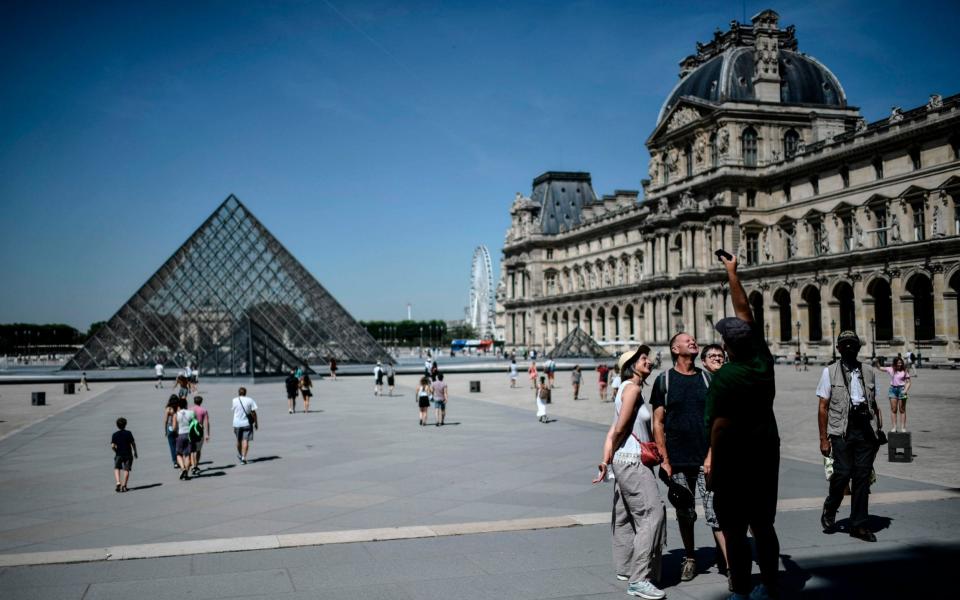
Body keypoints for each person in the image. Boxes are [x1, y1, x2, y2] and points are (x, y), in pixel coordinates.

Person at [706, 254, 782, 600]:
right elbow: (745, 313)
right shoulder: (763, 363)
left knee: (735, 531)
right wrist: (733, 273)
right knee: (764, 526)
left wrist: (711, 462)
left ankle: (740, 588)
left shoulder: (723, 377)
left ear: (725, 346)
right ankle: (769, 584)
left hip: (734, 461)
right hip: (766, 454)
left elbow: (719, 426)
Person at [592, 346, 667, 600]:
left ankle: (625, 568)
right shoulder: (633, 389)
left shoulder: (624, 389)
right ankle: (639, 579)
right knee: (651, 514)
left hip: (622, 461)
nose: (648, 361)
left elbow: (611, 431)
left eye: (647, 358)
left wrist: (606, 460)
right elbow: (621, 427)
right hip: (634, 461)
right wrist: (612, 458)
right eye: (642, 359)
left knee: (624, 516)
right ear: (631, 366)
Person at [651, 331, 726, 583]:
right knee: (685, 512)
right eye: (686, 340)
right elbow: (658, 422)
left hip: (706, 459)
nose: (693, 341)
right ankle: (690, 557)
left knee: (717, 511)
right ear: (674, 348)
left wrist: (711, 454)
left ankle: (728, 560)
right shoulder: (664, 381)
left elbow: (718, 420)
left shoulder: (708, 379)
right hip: (678, 460)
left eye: (694, 340)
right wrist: (664, 459)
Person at [817, 331, 883, 543]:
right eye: (844, 345)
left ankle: (859, 525)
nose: (848, 348)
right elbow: (823, 407)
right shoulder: (830, 372)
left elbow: (874, 404)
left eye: (852, 344)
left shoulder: (869, 371)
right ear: (838, 348)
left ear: (858, 348)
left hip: (865, 430)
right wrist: (823, 439)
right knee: (843, 473)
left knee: (862, 477)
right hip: (841, 430)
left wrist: (878, 431)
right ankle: (831, 505)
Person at [875, 356, 911, 432]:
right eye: (898, 363)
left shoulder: (904, 371)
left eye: (901, 363)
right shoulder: (891, 369)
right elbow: (880, 368)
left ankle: (903, 427)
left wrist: (905, 390)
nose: (900, 364)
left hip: (902, 390)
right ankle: (894, 427)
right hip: (893, 390)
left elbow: (908, 382)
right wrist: (877, 362)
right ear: (895, 363)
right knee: (893, 409)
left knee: (902, 409)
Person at [232, 387, 258, 465]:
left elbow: (234, 410)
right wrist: (256, 423)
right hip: (247, 423)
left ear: (238, 393)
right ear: (245, 393)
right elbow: (253, 412)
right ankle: (243, 457)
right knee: (245, 440)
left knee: (238, 440)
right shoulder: (250, 400)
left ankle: (240, 454)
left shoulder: (234, 400)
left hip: (236, 423)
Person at [111, 417, 137, 493]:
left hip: (119, 454)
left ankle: (118, 482)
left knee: (117, 468)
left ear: (117, 425)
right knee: (126, 470)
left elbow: (112, 446)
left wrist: (116, 451)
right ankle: (124, 486)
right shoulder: (129, 433)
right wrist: (135, 452)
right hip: (128, 454)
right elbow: (133, 443)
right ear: (125, 425)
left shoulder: (115, 434)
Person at [174, 397, 195, 480]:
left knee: (179, 454)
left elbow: (175, 427)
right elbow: (194, 423)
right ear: (186, 404)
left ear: (179, 405)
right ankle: (186, 471)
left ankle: (182, 468)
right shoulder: (191, 413)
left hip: (180, 434)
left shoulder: (176, 414)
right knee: (187, 455)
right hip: (189, 434)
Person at [190, 396, 210, 476]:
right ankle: (196, 465)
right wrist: (207, 434)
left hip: (191, 431)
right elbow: (206, 423)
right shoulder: (204, 410)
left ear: (194, 401)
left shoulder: (189, 409)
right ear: (201, 402)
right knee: (198, 450)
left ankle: (192, 466)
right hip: (199, 431)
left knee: (192, 450)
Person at [163, 395, 179, 468]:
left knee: (172, 446)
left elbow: (166, 421)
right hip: (178, 427)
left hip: (170, 427)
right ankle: (181, 459)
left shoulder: (168, 409)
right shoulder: (179, 408)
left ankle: (175, 462)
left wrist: (165, 431)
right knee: (179, 445)